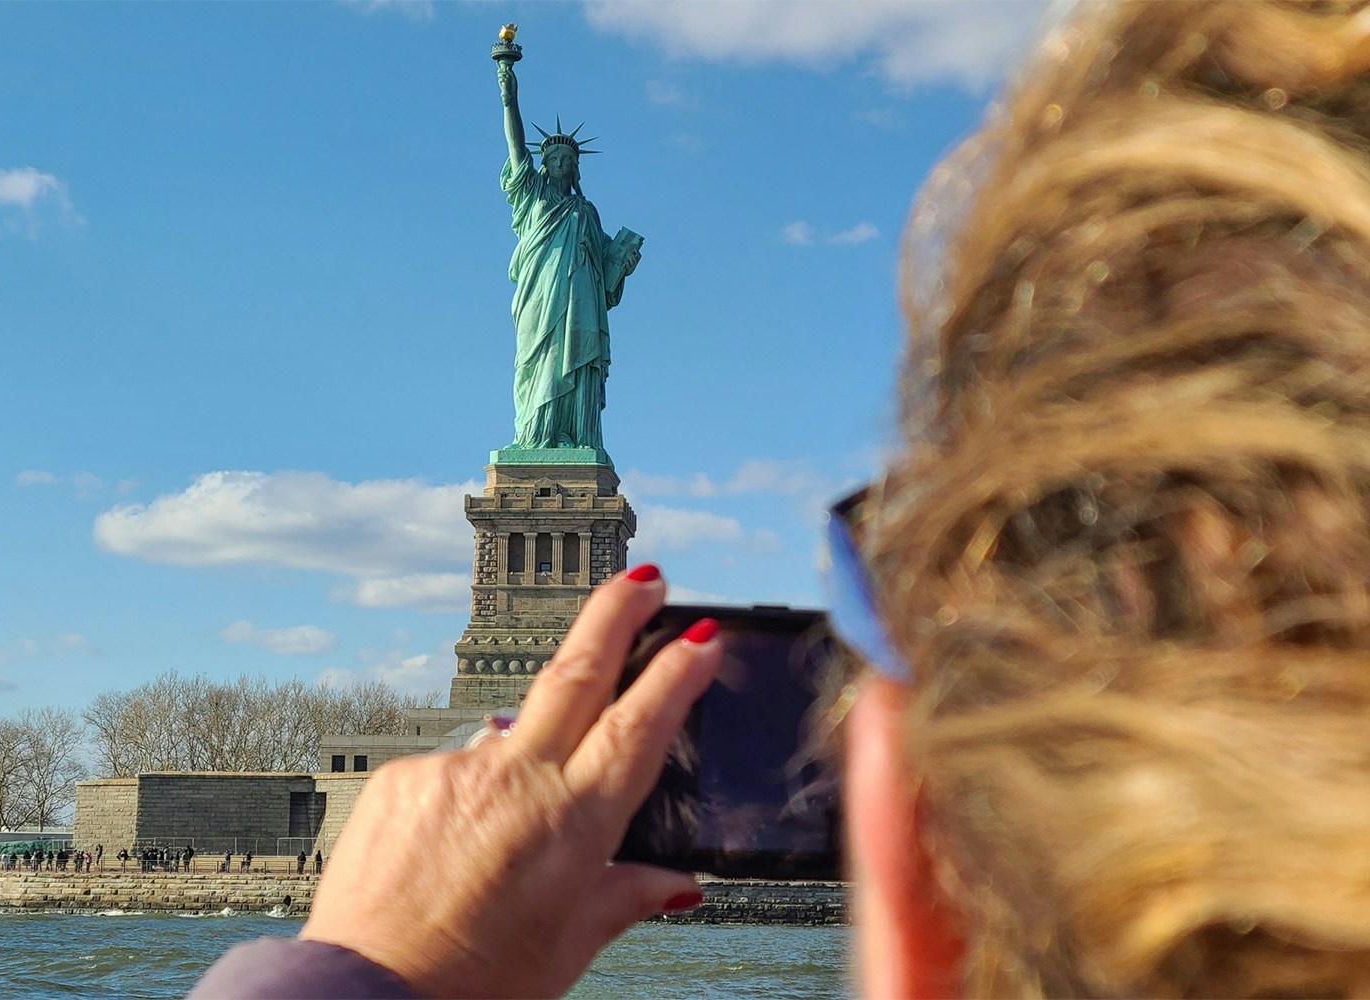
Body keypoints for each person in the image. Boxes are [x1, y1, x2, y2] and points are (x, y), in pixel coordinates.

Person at [200, 3, 1370, 996]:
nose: (552, 170)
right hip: (538, 341)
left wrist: (372, 966)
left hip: (580, 349)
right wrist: (507, 80)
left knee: (573, 385)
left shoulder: (586, 230)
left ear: (910, 898)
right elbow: (510, 153)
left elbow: (603, 284)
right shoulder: (532, 207)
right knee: (543, 382)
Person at [494, 54, 640, 454]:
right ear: (543, 165)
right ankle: (535, 436)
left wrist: (622, 262)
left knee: (575, 359)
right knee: (538, 361)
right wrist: (509, 95)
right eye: (553, 159)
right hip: (540, 297)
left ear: (576, 169)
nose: (559, 164)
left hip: (581, 303)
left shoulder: (586, 212)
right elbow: (515, 144)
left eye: (567, 161)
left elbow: (606, 271)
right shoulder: (532, 196)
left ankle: (576, 437)